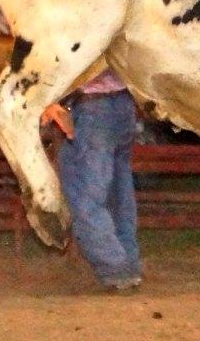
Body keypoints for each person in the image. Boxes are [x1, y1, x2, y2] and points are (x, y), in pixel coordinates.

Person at [41, 70, 142, 292]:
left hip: (91, 105)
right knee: (118, 190)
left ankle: (115, 267)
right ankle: (128, 264)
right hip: (123, 102)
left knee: (86, 194)